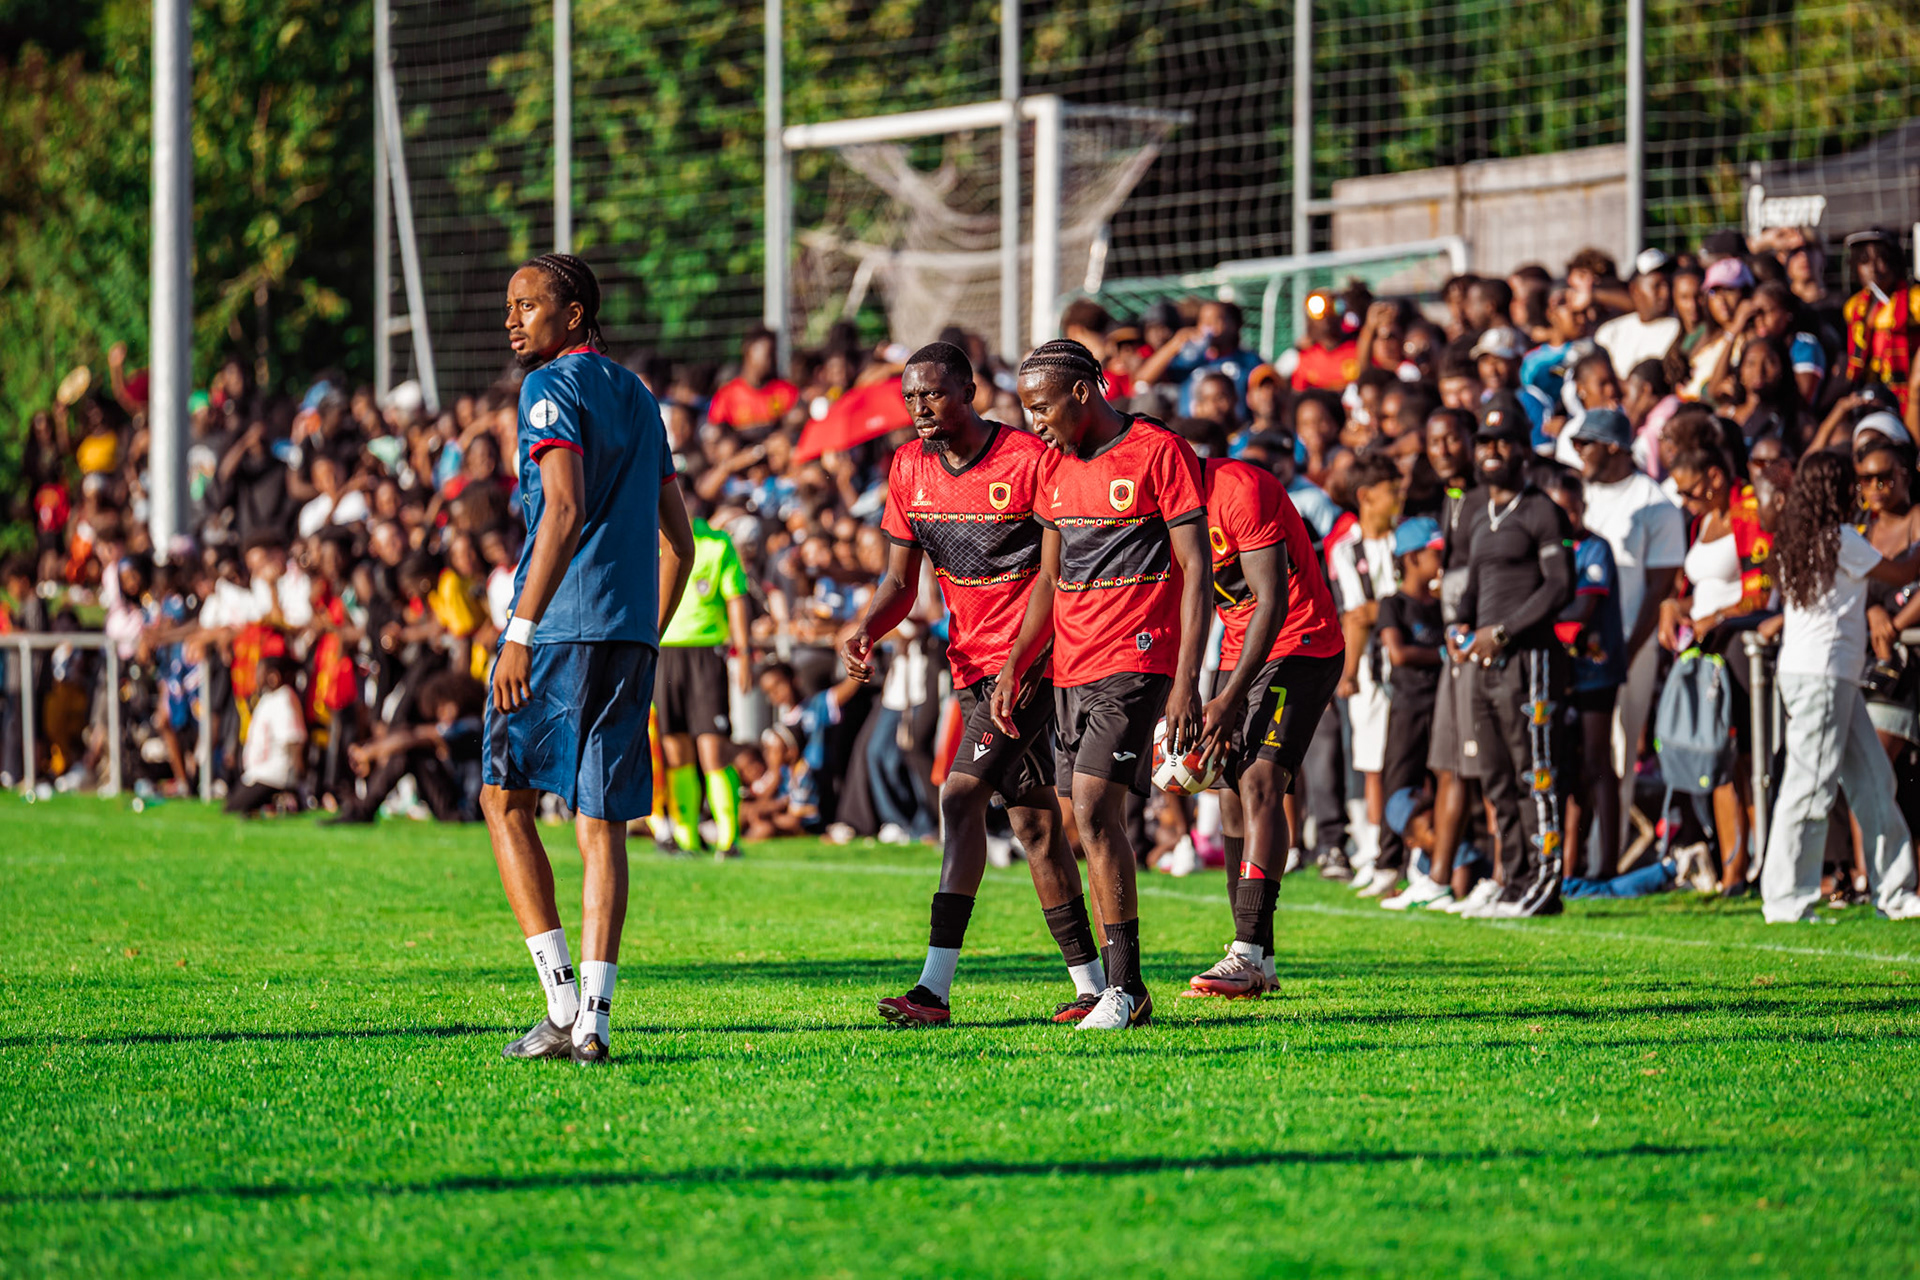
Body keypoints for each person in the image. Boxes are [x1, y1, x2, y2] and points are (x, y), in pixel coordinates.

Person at [845, 342, 1105, 1027]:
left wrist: (1023, 660)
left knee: (958, 799)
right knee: (1036, 828)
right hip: (971, 669)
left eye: (932, 394)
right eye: (910, 398)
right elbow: (900, 583)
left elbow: (1056, 572)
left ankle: (932, 991)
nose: (919, 408)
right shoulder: (907, 469)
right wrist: (868, 627)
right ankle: (1096, 985)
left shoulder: (1027, 460)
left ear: (970, 393)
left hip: (1031, 664)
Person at [482, 253, 698, 1065]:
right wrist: (648, 626)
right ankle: (595, 1022)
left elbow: (564, 507)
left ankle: (562, 1002)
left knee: (504, 799)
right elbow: (678, 539)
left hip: (559, 630)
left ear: (572, 316)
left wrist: (521, 630)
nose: (513, 319)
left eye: (528, 305)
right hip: (625, 635)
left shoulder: (548, 390)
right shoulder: (639, 395)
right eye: (510, 305)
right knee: (600, 822)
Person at [995, 339, 1212, 1031]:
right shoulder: (1053, 468)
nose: (1035, 422)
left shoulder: (1158, 451)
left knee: (1093, 811)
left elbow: (1197, 571)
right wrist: (1016, 663)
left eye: (1042, 406)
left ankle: (1125, 988)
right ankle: (1108, 987)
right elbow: (1050, 582)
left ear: (1082, 392)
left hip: (1137, 660)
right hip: (1070, 668)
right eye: (1027, 409)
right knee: (1079, 823)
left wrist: (1187, 682)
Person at [1182, 432, 1345, 995]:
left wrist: (1227, 698)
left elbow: (1271, 602)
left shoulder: (1239, 488)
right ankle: (1261, 962)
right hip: (1237, 652)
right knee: (1229, 791)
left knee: (1258, 781)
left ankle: (1246, 951)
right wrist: (1188, 689)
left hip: (1302, 642)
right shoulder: (1166, 509)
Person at [1759, 450, 1920, 923]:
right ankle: (1786, 899)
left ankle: (1895, 891)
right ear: (1835, 491)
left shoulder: (1798, 540)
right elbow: (1904, 572)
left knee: (1874, 781)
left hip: (1825, 677)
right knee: (1809, 789)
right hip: (1823, 677)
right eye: (1851, 483)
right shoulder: (1841, 539)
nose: (1859, 491)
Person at [1454, 406, 1575, 918]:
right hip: (1482, 666)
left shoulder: (1543, 510)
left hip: (1529, 660)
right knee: (1497, 777)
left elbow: (1560, 586)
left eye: (1502, 442)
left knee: (1535, 773)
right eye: (1485, 441)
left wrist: (1503, 633)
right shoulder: (1478, 512)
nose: (1491, 451)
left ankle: (1545, 883)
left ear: (1523, 449)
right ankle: (1515, 877)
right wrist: (1459, 626)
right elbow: (1474, 587)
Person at [1569, 407, 1687, 852]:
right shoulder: (1581, 493)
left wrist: (1628, 648)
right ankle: (1572, 858)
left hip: (1628, 646)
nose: (1579, 452)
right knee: (1579, 749)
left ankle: (1608, 854)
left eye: (1587, 443)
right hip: (1580, 644)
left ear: (1613, 446)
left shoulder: (1654, 504)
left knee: (1618, 749)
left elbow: (1660, 587)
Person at [653, 494, 753, 859]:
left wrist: (743, 654)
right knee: (675, 747)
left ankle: (729, 839)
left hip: (705, 653)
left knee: (712, 746)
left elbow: (736, 599)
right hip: (664, 651)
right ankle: (686, 838)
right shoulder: (653, 542)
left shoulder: (716, 543)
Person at [1539, 469, 1626, 883]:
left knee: (1596, 762)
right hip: (1557, 672)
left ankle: (1607, 863)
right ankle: (1564, 866)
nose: (1565, 518)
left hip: (1595, 673)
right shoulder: (1542, 550)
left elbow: (1580, 615)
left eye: (1571, 509)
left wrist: (1538, 624)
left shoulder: (1595, 549)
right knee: (1561, 770)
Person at [1325, 453, 1403, 889]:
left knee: (1405, 761)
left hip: (1413, 666)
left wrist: (1382, 611)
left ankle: (1399, 852)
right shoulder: (1346, 548)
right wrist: (1351, 669)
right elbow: (1355, 615)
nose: (1400, 498)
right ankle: (1377, 850)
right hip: (1373, 669)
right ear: (1367, 497)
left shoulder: (1407, 538)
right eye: (1392, 490)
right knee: (1374, 763)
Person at [1373, 516, 1449, 908]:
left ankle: (1429, 862)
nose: (1441, 559)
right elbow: (1399, 654)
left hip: (1441, 708)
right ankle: (1389, 863)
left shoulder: (1443, 606)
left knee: (1436, 787)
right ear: (1412, 557)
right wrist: (1444, 654)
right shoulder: (1393, 604)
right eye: (1435, 553)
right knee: (1398, 785)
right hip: (1408, 708)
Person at [1841, 229, 1920, 427]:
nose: (1873, 269)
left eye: (1881, 259)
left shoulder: (1914, 300)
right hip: (1871, 391)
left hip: (1909, 391)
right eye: (1865, 261)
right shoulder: (1854, 306)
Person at [225, 656, 305, 817]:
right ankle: (274, 804)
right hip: (258, 773)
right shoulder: (268, 698)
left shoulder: (283, 699)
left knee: (235, 808)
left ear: (273, 676)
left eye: (259, 672)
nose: (255, 677)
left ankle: (286, 800)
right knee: (231, 805)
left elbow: (293, 738)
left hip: (273, 775)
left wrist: (298, 773)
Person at [1594, 250, 1681, 385]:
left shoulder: (1679, 329)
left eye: (1669, 285)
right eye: (1657, 286)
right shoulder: (1610, 331)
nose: (1666, 293)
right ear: (1634, 289)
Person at [706, 326, 799, 433]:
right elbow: (715, 434)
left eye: (774, 354)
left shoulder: (786, 391)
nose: (773, 360)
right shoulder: (726, 396)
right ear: (748, 351)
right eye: (768, 353)